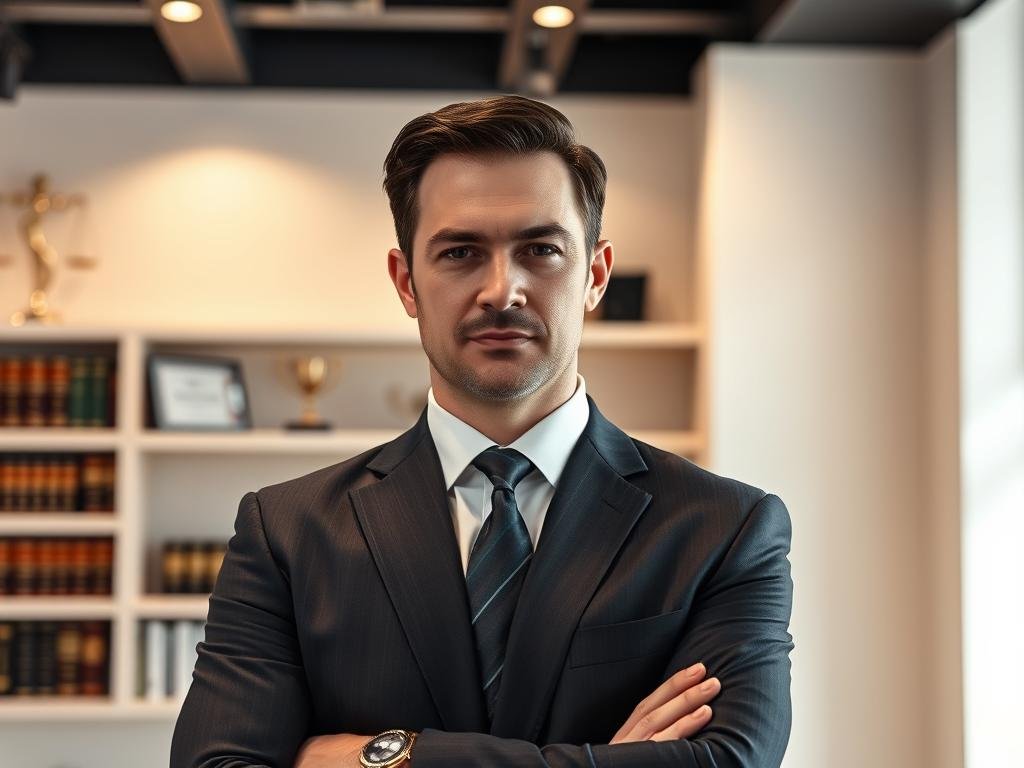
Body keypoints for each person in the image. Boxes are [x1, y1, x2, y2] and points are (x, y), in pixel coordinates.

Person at [170, 95, 794, 768]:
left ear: (596, 275)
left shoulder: (725, 527)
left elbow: (731, 761)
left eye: (541, 249)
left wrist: (389, 756)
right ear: (406, 282)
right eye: (462, 252)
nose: (503, 290)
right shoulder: (286, 533)